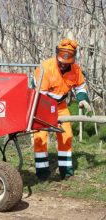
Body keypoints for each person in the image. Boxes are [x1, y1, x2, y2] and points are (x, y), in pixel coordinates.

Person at [33, 38, 91, 181]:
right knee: (40, 137)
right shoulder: (46, 68)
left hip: (61, 106)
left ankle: (66, 172)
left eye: (67, 63)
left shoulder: (75, 70)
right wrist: (51, 119)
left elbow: (80, 87)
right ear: (57, 55)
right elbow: (40, 97)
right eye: (61, 62)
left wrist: (82, 99)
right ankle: (42, 174)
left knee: (66, 136)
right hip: (41, 106)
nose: (64, 65)